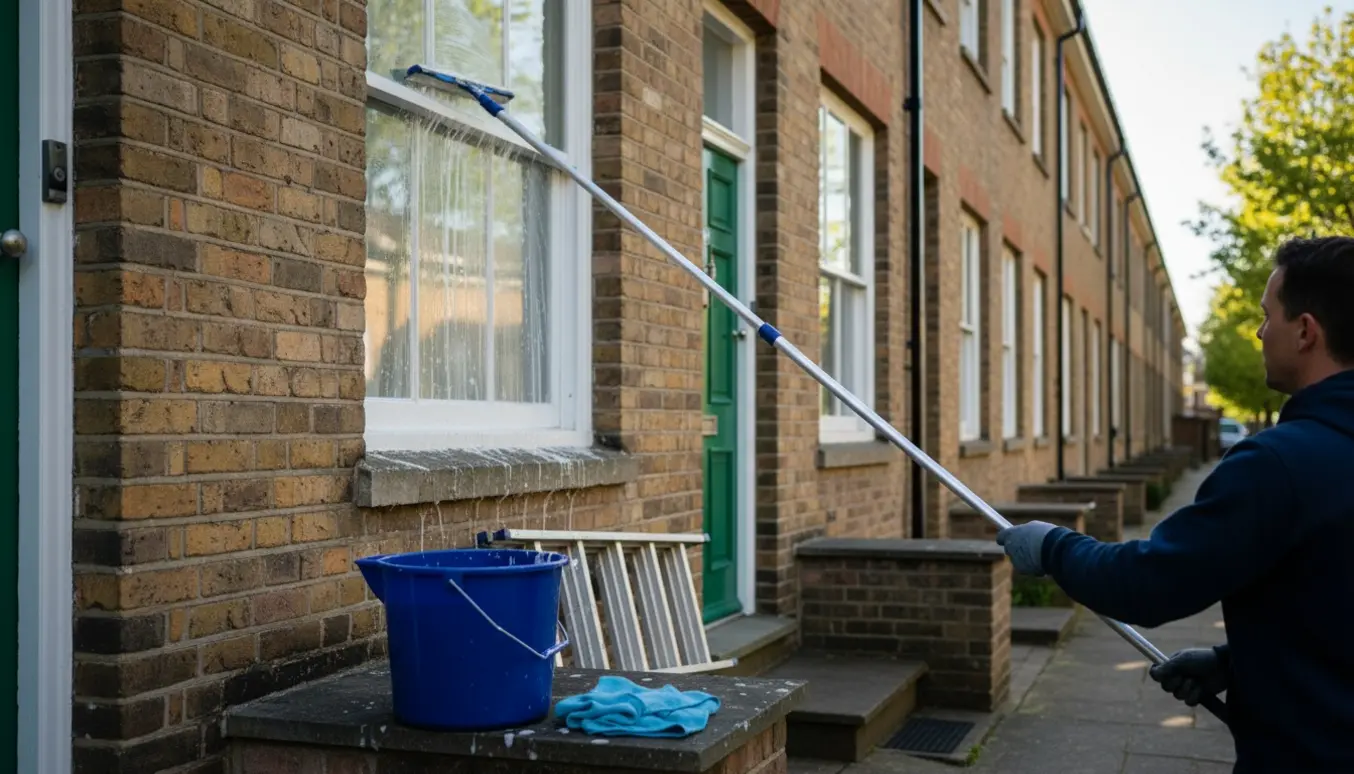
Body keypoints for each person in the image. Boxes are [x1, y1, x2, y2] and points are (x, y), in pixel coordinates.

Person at [996, 235, 1354, 773]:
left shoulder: (1277, 465)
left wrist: (1052, 547)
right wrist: (1236, 665)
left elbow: (1150, 582)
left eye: (1266, 316)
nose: (1259, 332)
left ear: (1305, 331)